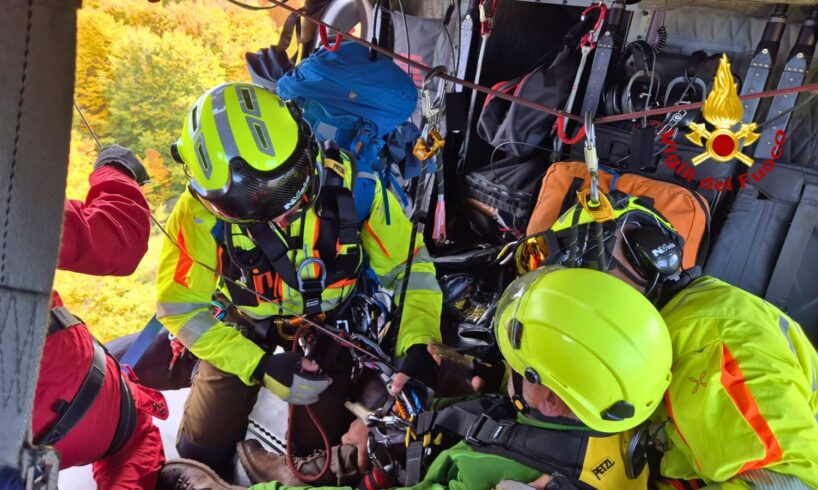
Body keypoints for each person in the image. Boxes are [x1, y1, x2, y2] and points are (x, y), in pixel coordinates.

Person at [156, 265, 674, 490]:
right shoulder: (617, 408)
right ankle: (355, 454)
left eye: (520, 365)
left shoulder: (497, 478)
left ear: (554, 400)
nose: (505, 366)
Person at [156, 82, 442, 480]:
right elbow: (180, 307)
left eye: (288, 187)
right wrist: (258, 366)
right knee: (200, 445)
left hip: (328, 327)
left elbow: (412, 269)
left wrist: (418, 343)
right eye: (249, 206)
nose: (280, 214)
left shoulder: (357, 189)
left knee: (316, 453)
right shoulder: (199, 216)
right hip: (243, 326)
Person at [519, 192, 818, 487]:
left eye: (587, 274)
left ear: (650, 258)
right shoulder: (657, 332)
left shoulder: (711, 344)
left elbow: (790, 483)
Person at [33, 145, 168, 489]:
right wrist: (115, 168)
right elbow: (115, 240)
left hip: (21, 459)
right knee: (137, 432)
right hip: (103, 409)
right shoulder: (10, 213)